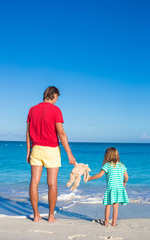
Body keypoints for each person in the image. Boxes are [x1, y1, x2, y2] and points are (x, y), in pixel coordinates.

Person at [26, 86, 76, 222]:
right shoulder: (56, 110)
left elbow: (28, 133)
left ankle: (36, 216)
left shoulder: (32, 109)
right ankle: (51, 216)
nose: (56, 101)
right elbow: (61, 133)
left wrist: (28, 151)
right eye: (57, 98)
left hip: (36, 148)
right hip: (51, 150)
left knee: (34, 182)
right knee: (52, 184)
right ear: (53, 95)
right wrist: (69, 154)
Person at [88, 147, 129, 226]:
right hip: (119, 189)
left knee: (108, 205)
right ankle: (113, 223)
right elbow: (126, 177)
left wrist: (90, 178)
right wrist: (124, 182)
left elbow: (100, 175)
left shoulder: (107, 165)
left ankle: (106, 222)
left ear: (107, 156)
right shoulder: (122, 165)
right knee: (116, 206)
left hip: (111, 188)